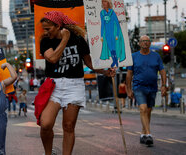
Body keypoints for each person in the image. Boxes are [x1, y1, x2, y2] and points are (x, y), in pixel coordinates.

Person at [39, 11, 115, 155]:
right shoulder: (46, 41)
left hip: (74, 85)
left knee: (68, 126)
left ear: (58, 26)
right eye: (44, 29)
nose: (46, 32)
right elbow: (53, 58)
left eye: (48, 28)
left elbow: (89, 62)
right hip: (53, 86)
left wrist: (105, 71)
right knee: (45, 124)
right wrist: (64, 40)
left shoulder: (79, 39)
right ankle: (48, 153)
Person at [126, 35, 167, 146]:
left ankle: (143, 134)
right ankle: (148, 134)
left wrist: (163, 85)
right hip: (139, 87)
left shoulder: (156, 56)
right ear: (139, 43)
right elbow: (129, 74)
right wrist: (128, 89)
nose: (145, 43)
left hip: (152, 87)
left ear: (150, 43)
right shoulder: (134, 56)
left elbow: (162, 71)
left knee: (148, 111)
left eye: (147, 41)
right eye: (143, 41)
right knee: (143, 108)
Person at [100, 0, 125, 67]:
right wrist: (101, 35)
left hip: (113, 33)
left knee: (114, 48)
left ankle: (115, 61)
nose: (104, 4)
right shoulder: (102, 13)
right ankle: (115, 60)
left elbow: (117, 23)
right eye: (103, 2)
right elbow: (102, 25)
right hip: (107, 34)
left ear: (108, 3)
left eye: (105, 2)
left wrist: (117, 34)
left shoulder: (112, 12)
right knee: (110, 48)